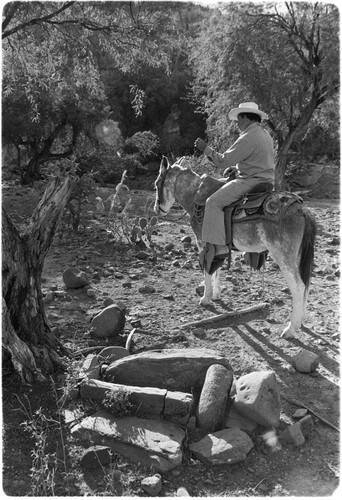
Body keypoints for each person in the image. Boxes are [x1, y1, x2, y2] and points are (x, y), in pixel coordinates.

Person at [194, 102, 275, 272]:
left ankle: (219, 248)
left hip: (250, 181)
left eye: (238, 119)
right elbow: (256, 160)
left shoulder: (248, 137)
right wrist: (237, 168)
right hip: (266, 181)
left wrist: (206, 149)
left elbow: (223, 160)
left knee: (213, 202)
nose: (236, 123)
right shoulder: (265, 134)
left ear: (246, 117)